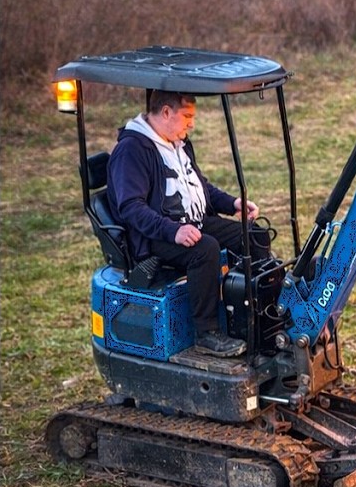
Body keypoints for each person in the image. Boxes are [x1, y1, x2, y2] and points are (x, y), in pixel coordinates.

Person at [108, 90, 269, 358]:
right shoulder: (132, 150)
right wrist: (173, 231)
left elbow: (198, 186)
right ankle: (206, 333)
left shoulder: (177, 143)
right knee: (205, 249)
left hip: (190, 222)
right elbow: (131, 208)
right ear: (166, 112)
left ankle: (262, 311)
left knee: (253, 235)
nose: (191, 124)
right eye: (187, 116)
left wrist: (232, 204)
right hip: (154, 236)